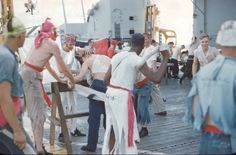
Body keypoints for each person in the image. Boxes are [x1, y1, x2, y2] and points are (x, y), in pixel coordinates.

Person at [102, 33, 170, 154]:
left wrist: (115, 88)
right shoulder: (138, 60)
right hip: (122, 97)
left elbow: (105, 80)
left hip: (109, 94)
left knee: (112, 128)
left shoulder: (118, 56)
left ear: (131, 43)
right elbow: (156, 78)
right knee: (126, 130)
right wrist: (165, 57)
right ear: (142, 45)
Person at [20, 18, 75, 154]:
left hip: (25, 73)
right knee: (39, 115)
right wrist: (72, 79)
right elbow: (63, 68)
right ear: (51, 31)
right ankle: (39, 150)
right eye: (55, 30)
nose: (57, 33)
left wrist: (59, 79)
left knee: (33, 115)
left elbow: (48, 65)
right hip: (31, 77)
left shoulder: (39, 41)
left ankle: (38, 147)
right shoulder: (51, 44)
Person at [184, 20, 236, 154]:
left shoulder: (203, 74)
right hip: (229, 140)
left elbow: (194, 112)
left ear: (219, 43)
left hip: (206, 139)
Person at [0, 17, 35, 154]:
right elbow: (3, 96)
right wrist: (17, 130)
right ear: (20, 35)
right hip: (5, 122)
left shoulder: (6, 54)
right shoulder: (6, 58)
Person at [74, 51, 111, 152]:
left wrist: (69, 80)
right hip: (110, 86)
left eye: (81, 60)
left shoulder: (87, 61)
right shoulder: (105, 57)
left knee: (94, 118)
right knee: (109, 116)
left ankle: (91, 145)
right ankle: (111, 142)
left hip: (98, 85)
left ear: (84, 57)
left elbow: (80, 77)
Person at [57, 34, 86, 142]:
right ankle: (61, 132)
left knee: (74, 104)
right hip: (62, 80)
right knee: (63, 106)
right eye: (70, 44)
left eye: (73, 44)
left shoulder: (73, 49)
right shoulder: (60, 52)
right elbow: (61, 70)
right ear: (65, 42)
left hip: (71, 79)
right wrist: (76, 72)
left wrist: (84, 49)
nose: (71, 46)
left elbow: (78, 49)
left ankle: (73, 128)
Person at [133, 33, 157, 138]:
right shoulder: (137, 51)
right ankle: (137, 127)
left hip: (145, 81)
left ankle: (144, 128)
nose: (145, 41)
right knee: (135, 106)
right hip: (135, 83)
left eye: (147, 39)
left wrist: (155, 79)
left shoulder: (151, 50)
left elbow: (153, 65)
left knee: (142, 107)